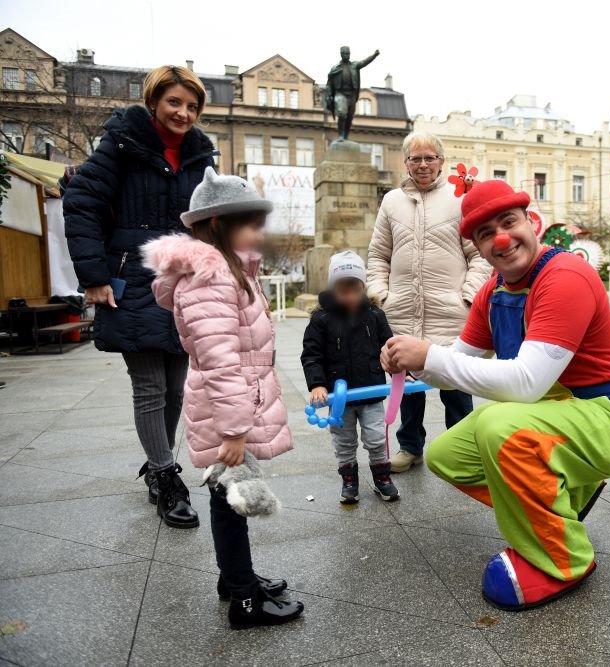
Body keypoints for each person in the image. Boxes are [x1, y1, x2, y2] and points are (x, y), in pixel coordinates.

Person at [380, 180, 610, 611]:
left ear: (530, 221)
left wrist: (430, 354)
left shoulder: (565, 276)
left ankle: (564, 559)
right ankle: (555, 506)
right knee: (446, 455)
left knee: (498, 427)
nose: (501, 239)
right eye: (486, 233)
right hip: (557, 415)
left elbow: (526, 382)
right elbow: (456, 365)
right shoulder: (493, 292)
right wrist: (410, 360)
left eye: (508, 222)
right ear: (476, 246)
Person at [142, 167, 304, 630]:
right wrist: (234, 429)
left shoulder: (230, 269)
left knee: (227, 497)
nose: (259, 231)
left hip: (230, 404)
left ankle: (234, 577)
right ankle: (244, 598)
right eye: (250, 222)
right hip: (225, 410)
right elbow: (219, 359)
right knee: (231, 500)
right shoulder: (211, 280)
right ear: (218, 225)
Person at [63, 65, 216, 528]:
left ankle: (157, 464)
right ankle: (167, 477)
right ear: (153, 102)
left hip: (186, 282)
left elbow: (212, 218)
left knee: (176, 388)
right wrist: (93, 275)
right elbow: (82, 201)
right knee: (150, 386)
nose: (183, 113)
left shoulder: (201, 152)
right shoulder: (122, 144)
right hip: (135, 277)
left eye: (192, 106)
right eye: (174, 102)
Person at [367, 132, 491, 473]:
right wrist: (380, 295)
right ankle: (410, 447)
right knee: (407, 386)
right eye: (415, 158)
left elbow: (479, 254)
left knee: (455, 383)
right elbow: (378, 254)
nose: (422, 164)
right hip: (402, 311)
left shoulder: (458, 199)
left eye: (429, 157)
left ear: (441, 161)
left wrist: (468, 295)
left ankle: (466, 447)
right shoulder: (391, 201)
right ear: (406, 162)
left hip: (450, 312)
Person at [301, 251, 398, 504]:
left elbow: (389, 348)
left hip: (371, 391)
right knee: (344, 441)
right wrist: (318, 384)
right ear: (333, 288)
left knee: (376, 437)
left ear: (362, 287)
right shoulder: (321, 319)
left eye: (355, 289)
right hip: (339, 396)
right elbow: (311, 355)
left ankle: (382, 477)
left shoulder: (375, 316)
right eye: (343, 290)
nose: (350, 296)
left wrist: (400, 373)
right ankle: (349, 480)